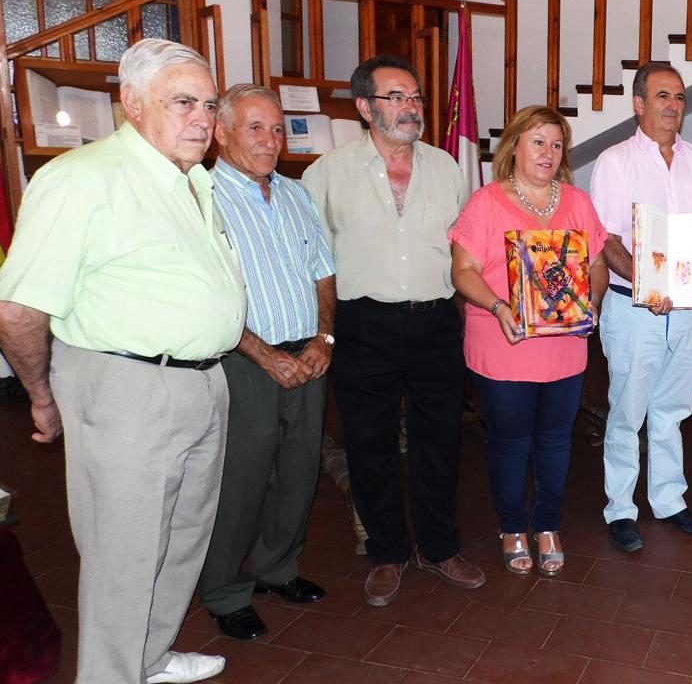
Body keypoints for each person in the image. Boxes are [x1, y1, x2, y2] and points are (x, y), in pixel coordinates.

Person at [0, 39, 246, 683]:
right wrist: (42, 395)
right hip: (126, 386)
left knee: (184, 539)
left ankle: (150, 658)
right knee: (124, 555)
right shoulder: (82, 179)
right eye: (183, 102)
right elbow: (18, 310)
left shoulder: (193, 178)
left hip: (202, 382)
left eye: (210, 104)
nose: (202, 118)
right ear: (131, 104)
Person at [302, 54, 485, 606]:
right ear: (364, 107)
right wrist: (324, 331)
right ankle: (386, 552)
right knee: (369, 443)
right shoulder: (325, 173)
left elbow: (464, 250)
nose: (411, 108)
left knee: (440, 441)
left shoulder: (448, 168)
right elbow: (312, 259)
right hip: (363, 323)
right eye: (396, 98)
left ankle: (438, 546)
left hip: (433, 322)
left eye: (415, 98)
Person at [198, 84, 336, 640]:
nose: (270, 140)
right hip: (244, 358)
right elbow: (208, 295)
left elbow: (323, 270)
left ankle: (278, 568)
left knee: (300, 473)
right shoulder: (201, 197)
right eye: (255, 128)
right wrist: (267, 357)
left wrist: (324, 340)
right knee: (242, 481)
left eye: (277, 129)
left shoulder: (298, 194)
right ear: (222, 132)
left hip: (308, 354)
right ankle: (227, 590)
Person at [450, 105, 608, 575]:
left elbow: (596, 264)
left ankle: (547, 524)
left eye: (556, 144)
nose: (548, 152)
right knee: (510, 441)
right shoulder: (486, 202)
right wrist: (499, 307)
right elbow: (462, 271)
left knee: (557, 441)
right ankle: (513, 525)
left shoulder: (578, 202)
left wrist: (592, 301)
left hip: (564, 347)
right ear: (514, 146)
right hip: (505, 344)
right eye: (538, 141)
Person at [590, 61, 692, 553]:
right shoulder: (615, 161)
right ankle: (621, 509)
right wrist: (646, 281)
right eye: (663, 96)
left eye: (679, 97)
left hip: (691, 311)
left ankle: (669, 500)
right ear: (639, 103)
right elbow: (606, 238)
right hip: (635, 308)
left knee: (672, 409)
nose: (674, 105)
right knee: (628, 412)